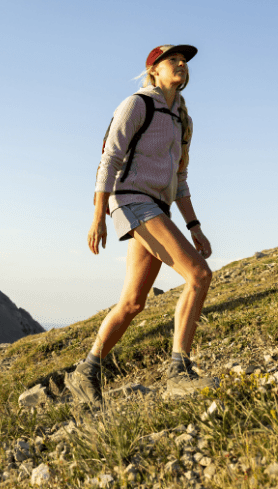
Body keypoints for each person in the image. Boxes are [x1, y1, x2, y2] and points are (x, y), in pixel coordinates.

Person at [67, 44, 215, 404]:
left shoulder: (183, 121)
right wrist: (98, 215)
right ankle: (178, 372)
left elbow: (180, 179)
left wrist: (194, 225)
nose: (181, 65)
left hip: (157, 207)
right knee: (199, 275)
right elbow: (110, 158)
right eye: (173, 61)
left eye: (184, 62)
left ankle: (85, 372)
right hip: (131, 199)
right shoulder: (137, 104)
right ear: (154, 71)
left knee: (133, 303)